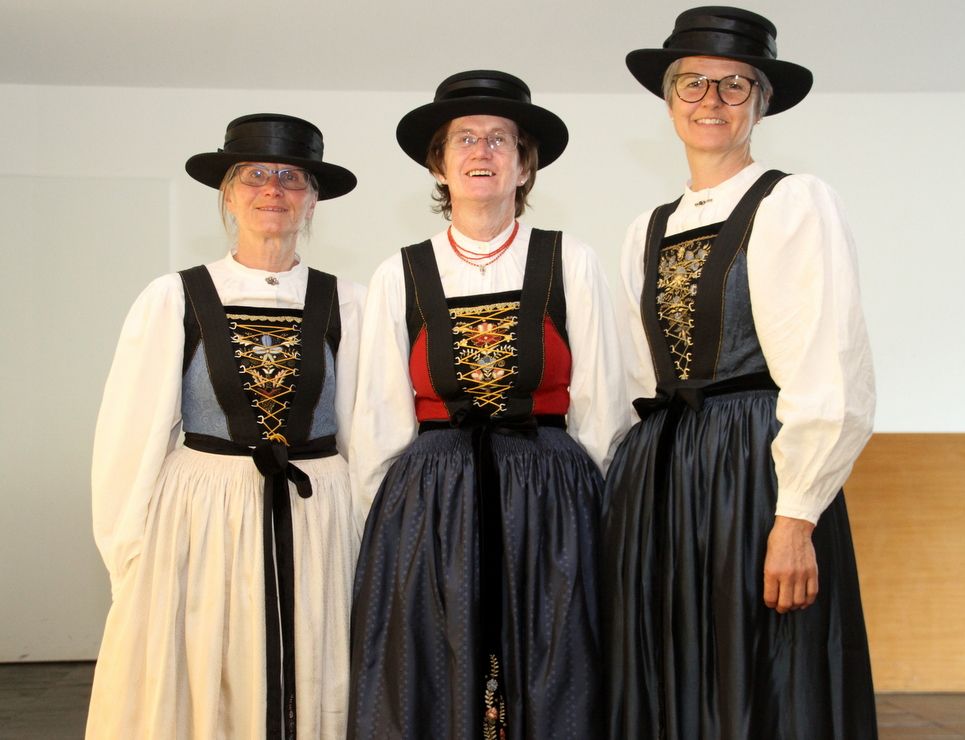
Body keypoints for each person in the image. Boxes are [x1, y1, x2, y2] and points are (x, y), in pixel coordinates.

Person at [602, 8, 878, 739]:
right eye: (693, 83)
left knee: (760, 675)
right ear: (669, 100)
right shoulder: (647, 228)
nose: (712, 101)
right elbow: (636, 376)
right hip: (663, 477)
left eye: (734, 85)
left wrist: (797, 517)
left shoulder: (793, 202)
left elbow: (830, 371)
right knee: (669, 673)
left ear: (762, 101)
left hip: (753, 472)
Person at [347, 70, 630, 739]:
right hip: (435, 501)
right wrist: (390, 531)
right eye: (465, 139)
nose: (483, 151)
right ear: (438, 165)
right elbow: (379, 419)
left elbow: (604, 405)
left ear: (524, 166)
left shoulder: (570, 260)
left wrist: (583, 516)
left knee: (557, 664)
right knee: (433, 668)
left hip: (549, 495)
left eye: (501, 140)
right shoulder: (399, 274)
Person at [86, 114, 365, 739]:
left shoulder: (349, 301)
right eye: (255, 175)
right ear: (228, 194)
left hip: (315, 517)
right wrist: (130, 555)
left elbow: (364, 432)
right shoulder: (174, 297)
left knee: (312, 665)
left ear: (313, 199)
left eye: (291, 177)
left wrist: (365, 532)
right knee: (208, 670)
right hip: (203, 517)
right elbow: (131, 435)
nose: (273, 189)